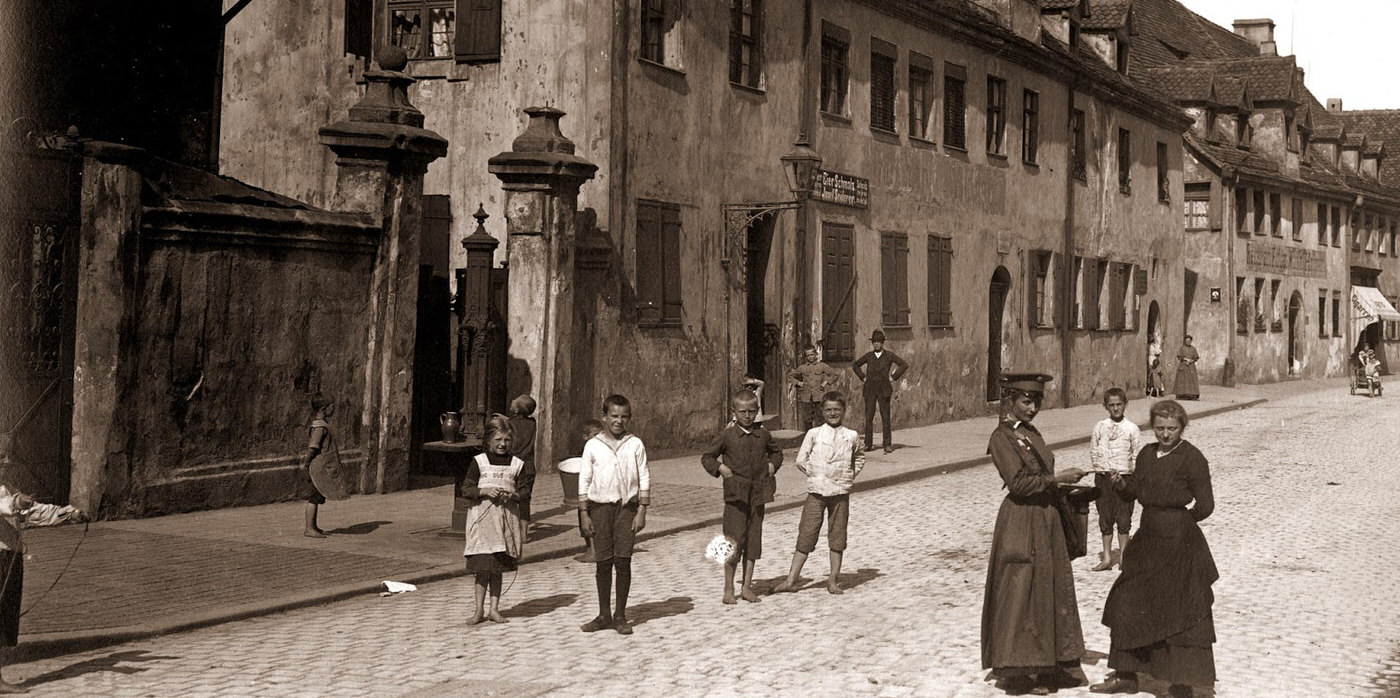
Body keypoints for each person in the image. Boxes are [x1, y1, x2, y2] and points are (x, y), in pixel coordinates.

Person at [1092, 400, 1217, 698]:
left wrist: (1181, 522)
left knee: (1180, 609)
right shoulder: (1147, 454)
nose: (1165, 434)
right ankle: (1125, 674)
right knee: (1127, 599)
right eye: (1159, 428)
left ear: (1182, 428)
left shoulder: (1193, 459)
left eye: (1171, 429)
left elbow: (1206, 505)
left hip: (1178, 543)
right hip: (1147, 538)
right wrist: (1122, 485)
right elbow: (1139, 491)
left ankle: (1181, 683)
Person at [982, 372, 1088, 696]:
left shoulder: (1031, 433)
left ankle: (1050, 665)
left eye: (1037, 402)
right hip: (1021, 520)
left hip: (1046, 518)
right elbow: (1019, 484)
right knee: (1020, 589)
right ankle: (1017, 668)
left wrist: (1064, 484)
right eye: (1026, 402)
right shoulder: (1001, 438)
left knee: (1048, 589)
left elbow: (1042, 474)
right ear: (1011, 400)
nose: (1032, 409)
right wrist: (1058, 478)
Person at [0, 457, 86, 693]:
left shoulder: (8, 487)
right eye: (0, 458)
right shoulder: (8, 494)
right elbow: (5, 505)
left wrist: (68, 514)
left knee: (5, 616)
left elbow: (33, 511)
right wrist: (15, 502)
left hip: (10, 556)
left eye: (6, 458)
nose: (5, 463)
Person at [773, 391, 864, 595]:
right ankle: (791, 580)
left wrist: (848, 475)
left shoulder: (851, 435)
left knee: (838, 535)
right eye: (829, 410)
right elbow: (800, 460)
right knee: (807, 533)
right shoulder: (814, 434)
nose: (833, 413)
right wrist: (816, 475)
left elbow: (859, 458)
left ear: (843, 411)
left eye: (837, 410)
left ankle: (833, 580)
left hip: (840, 492)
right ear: (822, 411)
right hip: (817, 492)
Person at [701, 389, 782, 604]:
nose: (747, 416)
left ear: (757, 411)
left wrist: (773, 465)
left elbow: (776, 452)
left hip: (758, 495)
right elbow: (707, 457)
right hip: (735, 496)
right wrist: (721, 469)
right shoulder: (727, 436)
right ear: (734, 412)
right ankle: (729, 588)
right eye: (742, 411)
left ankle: (746, 587)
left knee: (753, 541)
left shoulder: (763, 434)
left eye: (752, 411)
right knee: (732, 541)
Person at [578, 395, 650, 635]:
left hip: (627, 509)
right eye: (614, 416)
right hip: (600, 509)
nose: (619, 421)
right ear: (604, 417)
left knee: (623, 560)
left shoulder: (635, 444)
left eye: (624, 417)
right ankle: (603, 615)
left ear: (629, 418)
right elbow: (584, 479)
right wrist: (584, 513)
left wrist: (641, 510)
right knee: (603, 561)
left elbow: (644, 477)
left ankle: (620, 615)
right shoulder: (593, 445)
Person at [461, 414, 534, 625]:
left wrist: (513, 496)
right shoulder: (479, 462)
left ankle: (494, 609)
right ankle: (478, 610)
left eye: (507, 440)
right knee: (483, 568)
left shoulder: (517, 465)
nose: (503, 444)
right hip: (483, 523)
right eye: (498, 440)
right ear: (489, 440)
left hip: (505, 523)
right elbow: (466, 488)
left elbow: (525, 492)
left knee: (497, 569)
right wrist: (484, 491)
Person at [1089, 388, 1141, 572]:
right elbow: (1094, 450)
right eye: (1112, 405)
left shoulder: (1132, 429)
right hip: (1103, 478)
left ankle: (1124, 558)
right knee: (1105, 516)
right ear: (1105, 406)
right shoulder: (1100, 427)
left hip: (1125, 478)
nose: (1116, 408)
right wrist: (1100, 469)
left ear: (1125, 404)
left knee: (1124, 517)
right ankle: (1107, 558)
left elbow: (1135, 454)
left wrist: (1130, 477)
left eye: (1119, 404)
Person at [852, 330, 909, 453]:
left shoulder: (889, 355)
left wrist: (893, 377)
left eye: (879, 341)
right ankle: (868, 444)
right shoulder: (869, 356)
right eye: (874, 342)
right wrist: (863, 377)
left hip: (884, 389)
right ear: (872, 343)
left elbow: (904, 365)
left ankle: (887, 444)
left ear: (883, 342)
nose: (877, 344)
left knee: (885, 417)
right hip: (870, 389)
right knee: (869, 417)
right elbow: (855, 365)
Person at [300, 394, 339, 538]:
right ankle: (309, 528)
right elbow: (313, 447)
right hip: (317, 467)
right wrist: (307, 463)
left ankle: (313, 526)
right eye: (332, 406)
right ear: (324, 408)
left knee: (317, 497)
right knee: (313, 498)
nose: (334, 409)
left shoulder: (321, 425)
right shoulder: (320, 427)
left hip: (319, 467)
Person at [572, 419, 605, 563]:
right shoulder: (583, 452)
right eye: (595, 435)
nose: (599, 438)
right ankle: (589, 549)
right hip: (585, 494)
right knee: (583, 521)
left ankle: (594, 551)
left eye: (601, 435)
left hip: (596, 494)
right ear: (585, 437)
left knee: (593, 521)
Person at [790, 346, 840, 431]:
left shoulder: (821, 366)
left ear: (816, 355)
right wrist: (798, 383)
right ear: (806, 357)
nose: (810, 357)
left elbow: (835, 374)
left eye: (812, 355)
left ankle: (821, 438)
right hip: (806, 397)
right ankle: (809, 438)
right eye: (808, 355)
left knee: (820, 418)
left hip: (819, 396)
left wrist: (826, 382)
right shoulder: (802, 368)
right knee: (807, 419)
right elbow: (790, 375)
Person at [507, 394, 537, 523]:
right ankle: (524, 532)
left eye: (514, 401)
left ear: (516, 410)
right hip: (528, 466)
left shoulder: (509, 424)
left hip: (513, 465)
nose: (512, 401)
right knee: (525, 498)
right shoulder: (532, 423)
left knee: (509, 496)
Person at [1173, 336, 1200, 400]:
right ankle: (1181, 394)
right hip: (1183, 365)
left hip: (1191, 366)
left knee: (1192, 380)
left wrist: (1191, 361)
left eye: (1189, 341)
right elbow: (1179, 356)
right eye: (1186, 341)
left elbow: (1196, 357)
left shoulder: (1193, 349)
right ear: (1185, 341)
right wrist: (1185, 359)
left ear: (1191, 341)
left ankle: (1192, 394)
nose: (1188, 342)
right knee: (1182, 380)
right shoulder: (1182, 348)